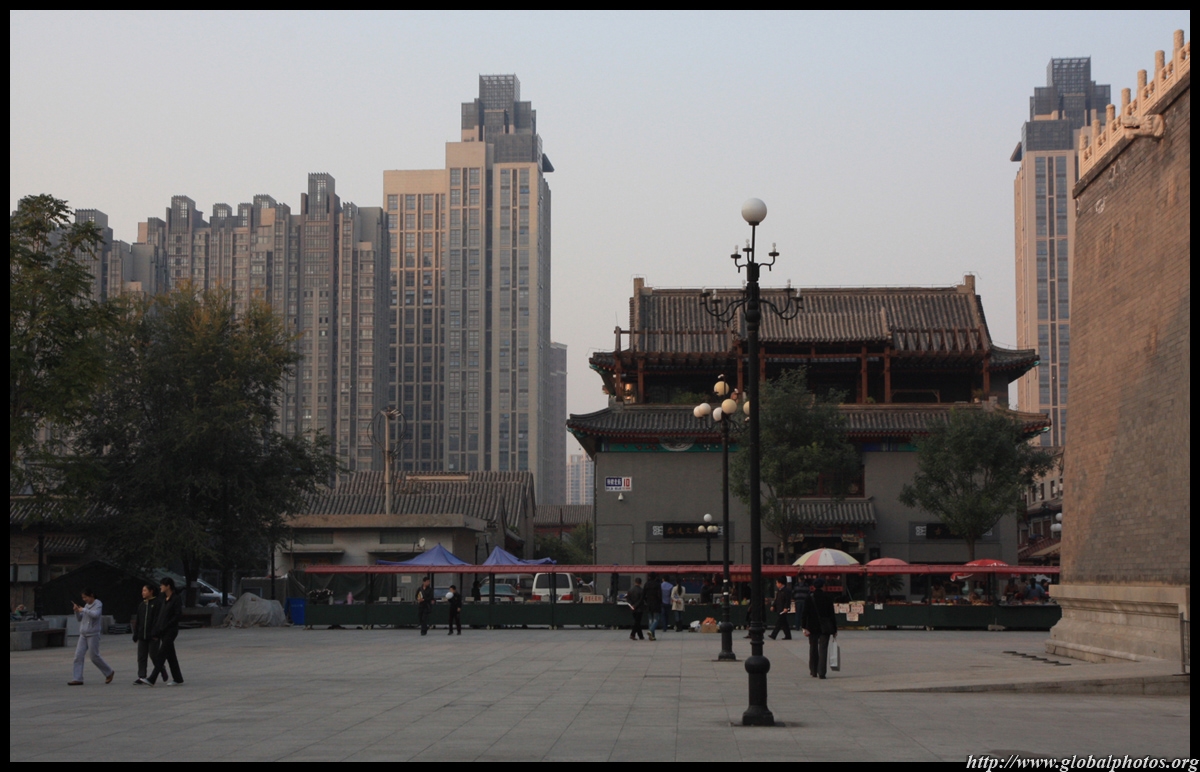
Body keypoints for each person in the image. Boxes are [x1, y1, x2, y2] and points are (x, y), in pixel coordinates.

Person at [68, 588, 115, 686]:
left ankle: (109, 672)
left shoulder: (98, 604)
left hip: (93, 634)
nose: (84, 599)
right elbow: (79, 619)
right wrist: (77, 611)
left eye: (85, 597)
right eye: (83, 598)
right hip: (83, 634)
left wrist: (84, 610)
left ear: (91, 596)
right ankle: (77, 678)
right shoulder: (86, 605)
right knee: (78, 656)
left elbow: (95, 615)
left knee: (94, 656)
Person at [148, 577, 183, 686]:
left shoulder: (176, 599)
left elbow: (177, 615)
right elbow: (160, 615)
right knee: (170, 655)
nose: (160, 587)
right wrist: (157, 629)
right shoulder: (163, 598)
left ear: (168, 586)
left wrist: (167, 625)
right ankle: (178, 678)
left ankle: (152, 678)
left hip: (171, 630)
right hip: (162, 630)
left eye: (162, 585)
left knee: (161, 654)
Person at [801, 577, 837, 678]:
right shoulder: (828, 597)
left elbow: (804, 613)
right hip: (825, 627)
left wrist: (804, 627)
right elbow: (831, 614)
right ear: (823, 586)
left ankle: (813, 670)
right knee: (823, 649)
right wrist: (834, 629)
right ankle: (822, 672)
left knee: (813, 648)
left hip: (812, 626)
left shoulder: (809, 597)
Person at [131, 583, 162, 686]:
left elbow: (158, 620)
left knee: (154, 655)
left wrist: (156, 632)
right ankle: (142, 676)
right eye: (142, 591)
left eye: (145, 590)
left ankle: (161, 668)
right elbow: (138, 621)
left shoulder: (157, 603)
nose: (143, 593)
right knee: (141, 656)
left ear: (151, 591)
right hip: (142, 635)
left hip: (153, 636)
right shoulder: (142, 605)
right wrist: (136, 633)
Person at [645, 572, 662, 641]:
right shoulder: (657, 585)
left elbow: (643, 594)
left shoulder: (646, 584)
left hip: (649, 604)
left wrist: (646, 601)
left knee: (650, 620)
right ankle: (651, 630)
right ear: (655, 577)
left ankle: (652, 636)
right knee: (656, 619)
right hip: (656, 604)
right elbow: (659, 595)